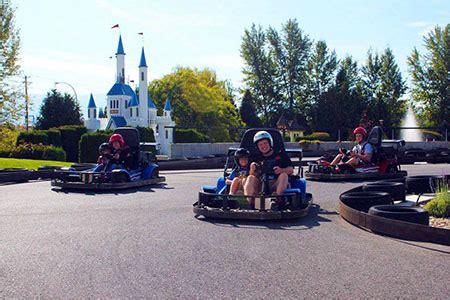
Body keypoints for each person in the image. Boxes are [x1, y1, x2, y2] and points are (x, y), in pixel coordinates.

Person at [244, 131, 294, 198]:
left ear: (270, 143)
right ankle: (249, 201)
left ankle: (277, 199)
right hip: (259, 184)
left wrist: (281, 170)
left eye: (265, 143)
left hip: (274, 183)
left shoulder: (281, 155)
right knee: (250, 178)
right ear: (257, 147)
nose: (263, 146)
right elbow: (250, 175)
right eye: (260, 145)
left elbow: (291, 170)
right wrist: (252, 169)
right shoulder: (255, 157)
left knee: (284, 175)